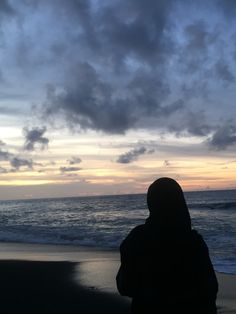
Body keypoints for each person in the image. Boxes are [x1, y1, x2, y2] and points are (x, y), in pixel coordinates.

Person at [116, 177, 218, 314]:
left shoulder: (137, 238)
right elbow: (210, 289)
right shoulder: (193, 242)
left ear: (151, 202)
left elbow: (124, 286)